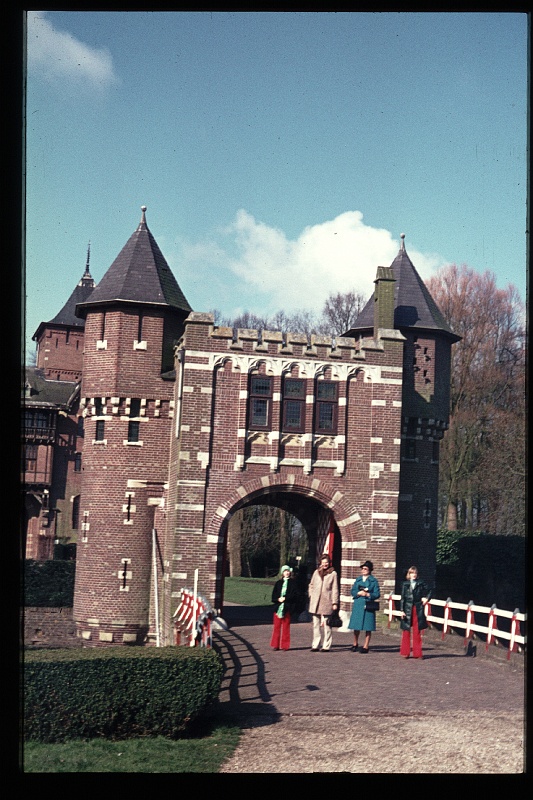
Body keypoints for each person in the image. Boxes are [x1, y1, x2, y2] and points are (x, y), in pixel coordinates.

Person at [308, 553, 339, 652]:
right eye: (323, 562)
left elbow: (335, 589)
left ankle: (326, 645)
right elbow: (311, 584)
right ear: (320, 562)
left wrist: (335, 602)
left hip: (327, 601)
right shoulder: (316, 572)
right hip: (315, 601)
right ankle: (315, 644)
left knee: (327, 624)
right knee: (315, 624)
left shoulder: (333, 574)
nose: (325, 564)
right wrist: (311, 594)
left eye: (327, 562)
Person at [348, 560, 381, 653]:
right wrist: (358, 593)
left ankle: (366, 646)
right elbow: (353, 591)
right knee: (356, 626)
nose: (364, 570)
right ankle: (355, 643)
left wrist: (368, 595)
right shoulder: (358, 580)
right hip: (358, 604)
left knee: (368, 627)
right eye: (362, 568)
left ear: (370, 570)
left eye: (366, 569)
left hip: (368, 605)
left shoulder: (374, 581)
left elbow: (377, 594)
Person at [400, 565, 431, 659]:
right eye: (411, 573)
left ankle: (417, 653)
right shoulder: (405, 584)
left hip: (418, 608)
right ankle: (405, 652)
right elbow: (402, 598)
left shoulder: (421, 583)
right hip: (407, 608)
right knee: (406, 630)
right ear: (409, 574)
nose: (413, 575)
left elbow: (431, 589)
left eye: (415, 573)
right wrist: (401, 610)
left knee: (417, 630)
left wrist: (427, 598)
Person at [270, 565, 299, 651]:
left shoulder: (293, 583)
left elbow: (295, 595)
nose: (286, 573)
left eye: (288, 571)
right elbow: (273, 596)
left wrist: (286, 598)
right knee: (276, 627)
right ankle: (275, 645)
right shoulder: (278, 583)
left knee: (286, 627)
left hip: (287, 608)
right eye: (285, 571)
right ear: (282, 573)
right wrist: (278, 599)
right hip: (278, 608)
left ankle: (285, 645)